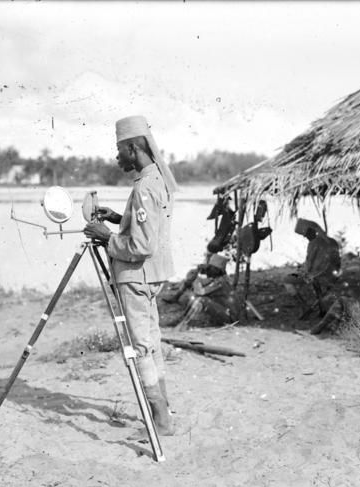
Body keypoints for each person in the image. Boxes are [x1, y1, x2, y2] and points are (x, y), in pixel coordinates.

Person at [83, 115, 176, 437]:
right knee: (153, 344)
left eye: (119, 150)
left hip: (136, 277)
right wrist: (116, 218)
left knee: (141, 348)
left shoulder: (145, 187)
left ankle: (161, 421)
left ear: (134, 148)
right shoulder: (155, 180)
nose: (117, 157)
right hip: (150, 277)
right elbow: (145, 226)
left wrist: (107, 237)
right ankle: (163, 412)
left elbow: (141, 243)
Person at [284, 218, 341, 318]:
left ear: (311, 231)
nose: (306, 237)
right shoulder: (332, 241)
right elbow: (337, 261)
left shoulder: (313, 244)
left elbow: (309, 265)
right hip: (332, 276)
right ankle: (322, 309)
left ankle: (304, 307)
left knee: (287, 280)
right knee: (314, 282)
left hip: (317, 276)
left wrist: (300, 271)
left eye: (306, 234)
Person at [174, 254, 244, 330]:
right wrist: (194, 276)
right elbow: (203, 285)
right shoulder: (219, 279)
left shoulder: (221, 282)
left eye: (211, 268)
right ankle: (182, 319)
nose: (208, 270)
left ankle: (185, 323)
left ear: (217, 270)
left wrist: (196, 278)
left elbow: (201, 292)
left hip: (231, 318)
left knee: (202, 300)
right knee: (195, 298)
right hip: (226, 313)